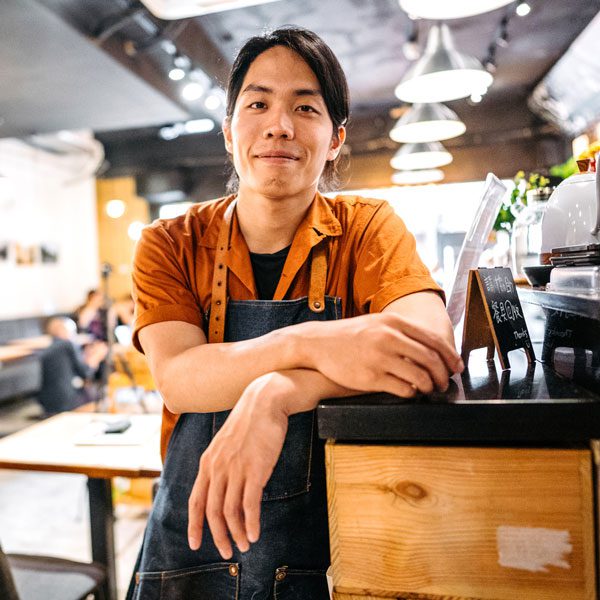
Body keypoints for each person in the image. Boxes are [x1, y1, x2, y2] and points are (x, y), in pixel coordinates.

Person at [129, 26, 463, 599]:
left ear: (335, 137)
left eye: (304, 107)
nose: (278, 125)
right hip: (188, 551)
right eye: (257, 103)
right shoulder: (170, 243)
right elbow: (181, 380)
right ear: (230, 131)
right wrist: (309, 344)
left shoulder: (367, 228)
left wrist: (275, 394)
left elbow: (429, 350)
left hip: (329, 555)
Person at [37, 317, 107, 415]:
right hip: (67, 402)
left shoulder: (51, 348)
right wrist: (97, 356)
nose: (74, 336)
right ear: (62, 331)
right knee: (100, 397)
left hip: (48, 403)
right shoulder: (67, 345)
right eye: (72, 332)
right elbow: (86, 374)